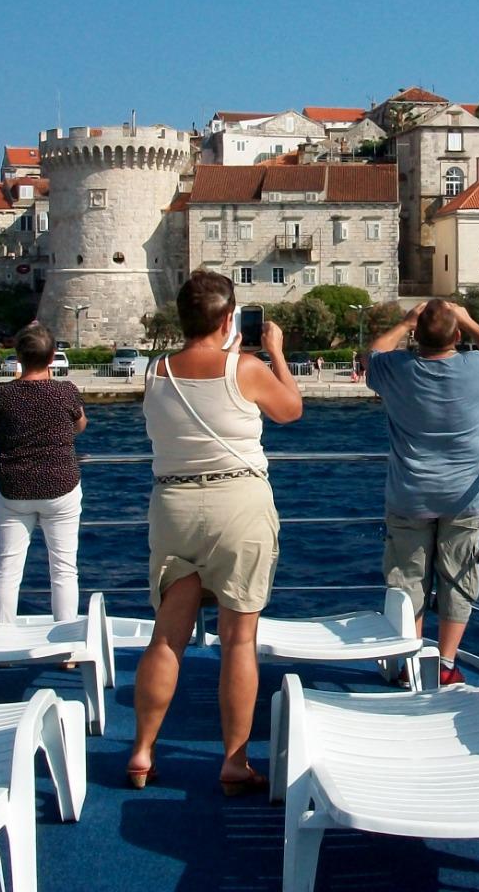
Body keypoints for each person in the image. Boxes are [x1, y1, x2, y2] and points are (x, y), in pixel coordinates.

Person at [129, 272, 302, 794]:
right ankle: (233, 761)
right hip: (238, 504)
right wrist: (275, 352)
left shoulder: (155, 371)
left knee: (167, 636)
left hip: (174, 503)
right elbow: (290, 409)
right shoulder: (244, 368)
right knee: (239, 640)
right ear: (229, 320)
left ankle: (141, 752)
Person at [365, 300, 479, 685]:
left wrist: (405, 323)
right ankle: (445, 664)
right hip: (463, 495)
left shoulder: (395, 370)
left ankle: (410, 664)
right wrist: (468, 317)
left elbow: (373, 352)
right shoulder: (478, 368)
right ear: (457, 337)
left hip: (410, 493)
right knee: (459, 577)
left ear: (416, 336)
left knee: (408, 579)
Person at [0, 321, 87, 623]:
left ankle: (1, 641)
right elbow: (80, 425)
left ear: (18, 357)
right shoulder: (65, 392)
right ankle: (66, 646)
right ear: (52, 357)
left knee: (8, 567)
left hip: (15, 487)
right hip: (60, 485)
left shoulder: (2, 394)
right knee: (64, 569)